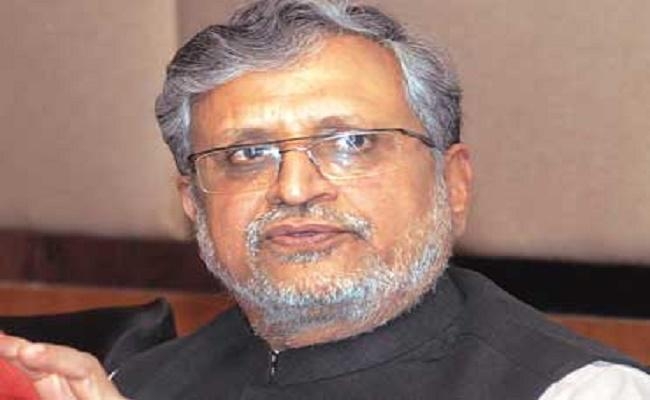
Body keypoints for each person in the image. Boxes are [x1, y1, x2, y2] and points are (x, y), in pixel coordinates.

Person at [0, 0, 649, 398]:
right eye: (247, 155)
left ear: (452, 184)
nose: (295, 187)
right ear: (194, 205)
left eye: (352, 142)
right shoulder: (136, 387)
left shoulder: (581, 392)